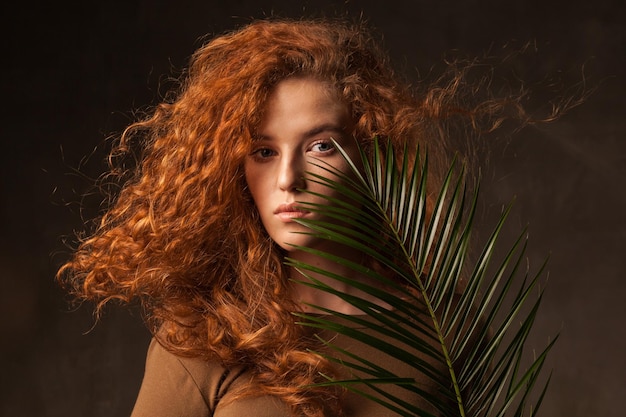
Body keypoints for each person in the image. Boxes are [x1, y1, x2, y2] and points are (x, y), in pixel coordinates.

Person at [57, 18, 523, 417]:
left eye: (320, 146)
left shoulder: (443, 328)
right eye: (263, 151)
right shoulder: (202, 341)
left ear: (372, 151)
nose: (288, 178)